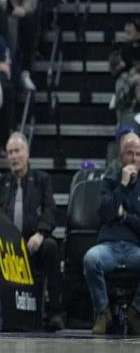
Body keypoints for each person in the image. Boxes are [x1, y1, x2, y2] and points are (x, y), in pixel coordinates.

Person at [0, 132, 63, 330]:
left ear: (27, 153)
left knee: (51, 247)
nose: (14, 156)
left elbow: (50, 210)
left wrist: (41, 233)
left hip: (33, 244)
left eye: (18, 151)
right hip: (7, 248)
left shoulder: (42, 180)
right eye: (10, 152)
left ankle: (55, 312)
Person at [83, 132, 140, 335]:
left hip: (135, 247)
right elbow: (106, 213)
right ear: (121, 156)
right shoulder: (110, 181)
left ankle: (135, 312)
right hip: (109, 246)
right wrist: (122, 186)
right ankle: (103, 312)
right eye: (129, 153)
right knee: (91, 259)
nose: (134, 159)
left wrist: (124, 216)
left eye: (138, 154)